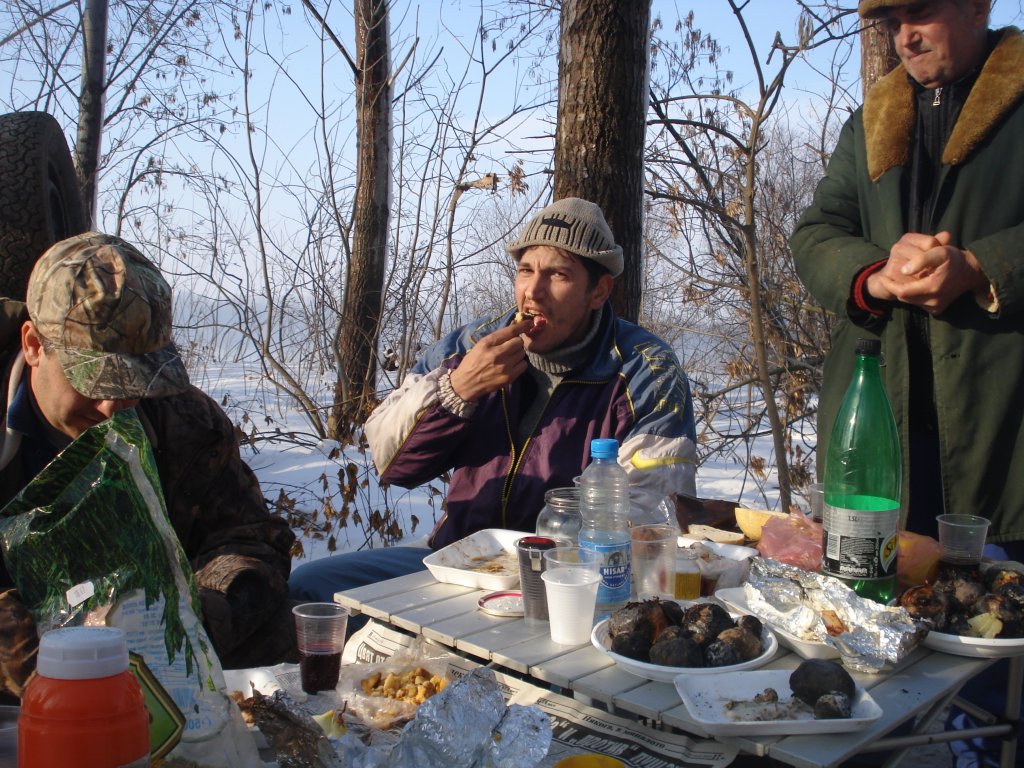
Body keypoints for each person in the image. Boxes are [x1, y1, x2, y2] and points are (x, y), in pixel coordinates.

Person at [791, 1, 1024, 764]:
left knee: (998, 639)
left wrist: (983, 266)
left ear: (978, 5)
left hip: (1004, 430)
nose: (905, 36)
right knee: (877, 640)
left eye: (921, 11)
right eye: (892, 20)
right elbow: (816, 231)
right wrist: (874, 276)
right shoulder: (872, 121)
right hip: (882, 422)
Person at [290, 197, 698, 602]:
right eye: (525, 270)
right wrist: (458, 389)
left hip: (570, 581)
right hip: (457, 561)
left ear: (599, 291)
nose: (533, 292)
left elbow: (652, 519)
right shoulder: (471, 346)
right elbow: (392, 463)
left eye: (558, 274)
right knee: (307, 586)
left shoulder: (646, 371)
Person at [0, 232, 297, 702]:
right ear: (34, 345)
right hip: (31, 662)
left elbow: (249, 537)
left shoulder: (185, 419)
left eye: (133, 382)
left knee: (301, 635)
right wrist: (69, 659)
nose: (110, 407)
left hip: (164, 648)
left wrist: (190, 617)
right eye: (93, 380)